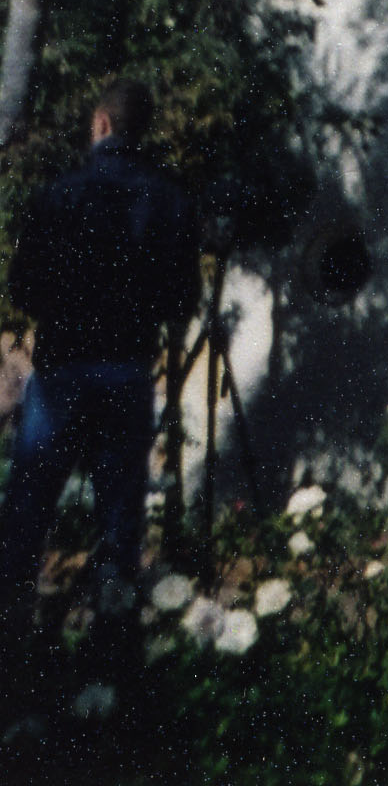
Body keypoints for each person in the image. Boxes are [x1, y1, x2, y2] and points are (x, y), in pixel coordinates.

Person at [0, 78, 201, 621]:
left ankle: (11, 634)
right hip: (126, 373)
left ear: (102, 123)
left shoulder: (56, 195)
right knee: (118, 525)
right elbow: (182, 301)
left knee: (28, 515)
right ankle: (112, 645)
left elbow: (23, 289)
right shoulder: (171, 201)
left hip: (63, 371)